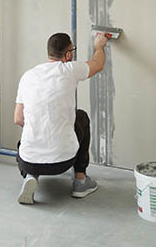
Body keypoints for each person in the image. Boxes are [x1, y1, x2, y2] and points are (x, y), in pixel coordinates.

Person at [14, 30, 109, 205]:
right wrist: (99, 46)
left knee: (24, 144)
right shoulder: (69, 69)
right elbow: (98, 64)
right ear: (68, 54)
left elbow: (18, 119)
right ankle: (80, 181)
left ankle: (30, 176)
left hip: (29, 161)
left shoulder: (27, 76)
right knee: (81, 117)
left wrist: (42, 128)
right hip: (63, 161)